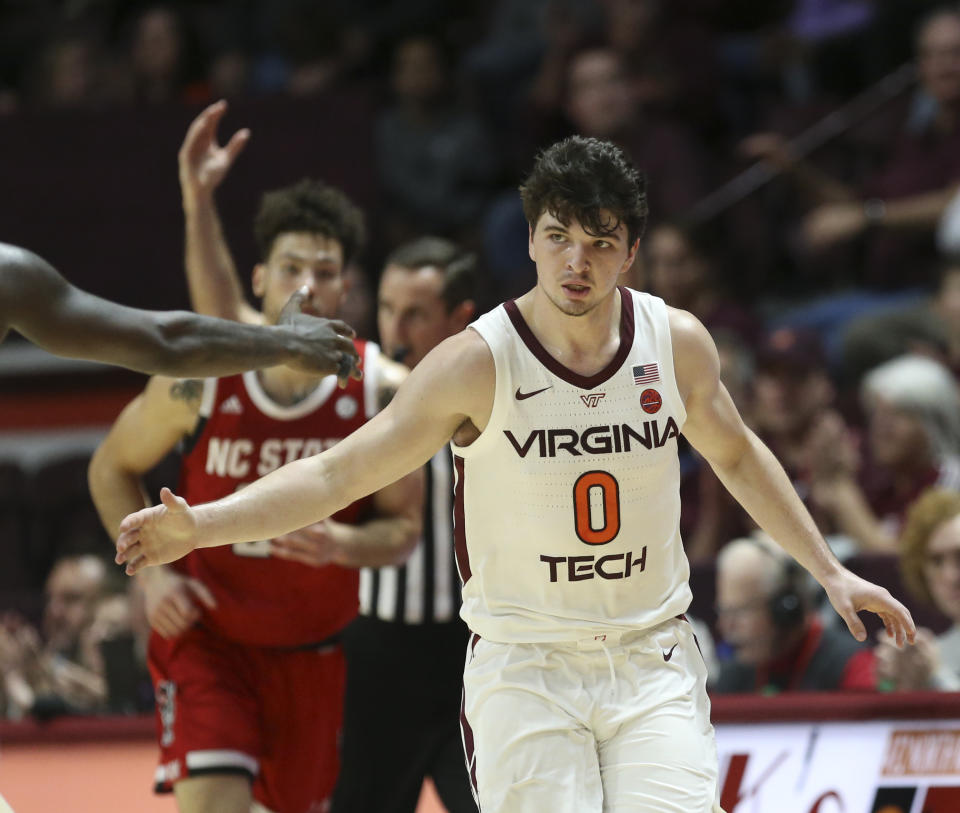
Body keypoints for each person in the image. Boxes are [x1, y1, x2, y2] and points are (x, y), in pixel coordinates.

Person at [116, 136, 917, 813]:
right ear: (530, 239)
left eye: (601, 240)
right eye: (560, 235)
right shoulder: (475, 362)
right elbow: (338, 473)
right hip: (527, 666)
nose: (578, 259)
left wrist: (829, 568)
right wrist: (203, 523)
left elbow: (737, 453)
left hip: (651, 657)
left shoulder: (675, 343)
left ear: (631, 251)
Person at [89, 176, 423, 813]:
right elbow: (109, 469)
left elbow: (402, 530)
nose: (307, 284)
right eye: (291, 267)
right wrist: (151, 581)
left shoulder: (379, 389)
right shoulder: (202, 381)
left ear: (345, 289)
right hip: (208, 640)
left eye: (324, 271)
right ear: (261, 279)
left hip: (314, 652)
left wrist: (342, 543)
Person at [0, 241, 360, 382]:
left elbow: (165, 342)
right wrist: (287, 342)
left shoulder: (10, 277)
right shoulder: (9, 276)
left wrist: (287, 342)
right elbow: (165, 342)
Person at [713, 536, 876, 694]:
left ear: (786, 609)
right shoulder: (731, 675)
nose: (726, 626)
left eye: (741, 611)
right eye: (723, 611)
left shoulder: (852, 666)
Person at [0, 554, 111, 719]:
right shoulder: (41, 652)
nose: (55, 611)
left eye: (70, 598)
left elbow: (104, 694)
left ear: (99, 603)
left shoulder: (111, 643)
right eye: (50, 599)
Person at [875, 488, 960, 691]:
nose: (951, 577)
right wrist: (905, 687)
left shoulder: (934, 665)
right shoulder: (931, 655)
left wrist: (936, 679)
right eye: (936, 561)